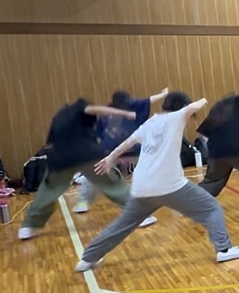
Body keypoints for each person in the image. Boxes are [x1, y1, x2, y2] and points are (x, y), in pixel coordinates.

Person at [75, 92, 239, 270]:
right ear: (181, 105)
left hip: (142, 186)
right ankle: (224, 249)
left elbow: (128, 142)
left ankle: (88, 258)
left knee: (121, 225)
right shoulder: (176, 117)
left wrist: (110, 158)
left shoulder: (150, 123)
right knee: (211, 208)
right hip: (170, 185)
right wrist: (206, 100)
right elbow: (193, 107)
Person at [19, 98, 155, 241]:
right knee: (113, 184)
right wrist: (125, 114)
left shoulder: (58, 117)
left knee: (48, 191)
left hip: (59, 159)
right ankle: (139, 215)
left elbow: (50, 144)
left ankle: (29, 226)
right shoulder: (80, 106)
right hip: (86, 155)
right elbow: (95, 110)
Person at [74, 87, 168, 215]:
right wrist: (163, 94)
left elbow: (98, 137)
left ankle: (83, 202)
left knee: (95, 174)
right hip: (128, 151)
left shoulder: (108, 113)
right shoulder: (135, 107)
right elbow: (150, 100)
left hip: (120, 152)